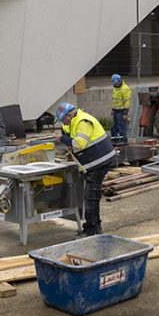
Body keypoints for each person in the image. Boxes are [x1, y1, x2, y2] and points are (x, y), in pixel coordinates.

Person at [53, 102, 117, 237]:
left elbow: (79, 143)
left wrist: (62, 139)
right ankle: (95, 226)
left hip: (99, 162)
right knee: (91, 196)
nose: (63, 122)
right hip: (94, 163)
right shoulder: (74, 122)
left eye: (64, 119)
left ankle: (91, 229)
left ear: (69, 114)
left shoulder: (83, 121)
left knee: (90, 197)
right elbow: (75, 141)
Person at [110, 73, 132, 143]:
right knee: (114, 126)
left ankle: (124, 140)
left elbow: (127, 102)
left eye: (115, 83)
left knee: (122, 125)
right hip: (116, 110)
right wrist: (113, 110)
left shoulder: (125, 89)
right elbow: (115, 100)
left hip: (121, 111)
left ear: (119, 81)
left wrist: (125, 113)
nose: (114, 85)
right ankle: (115, 139)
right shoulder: (116, 88)